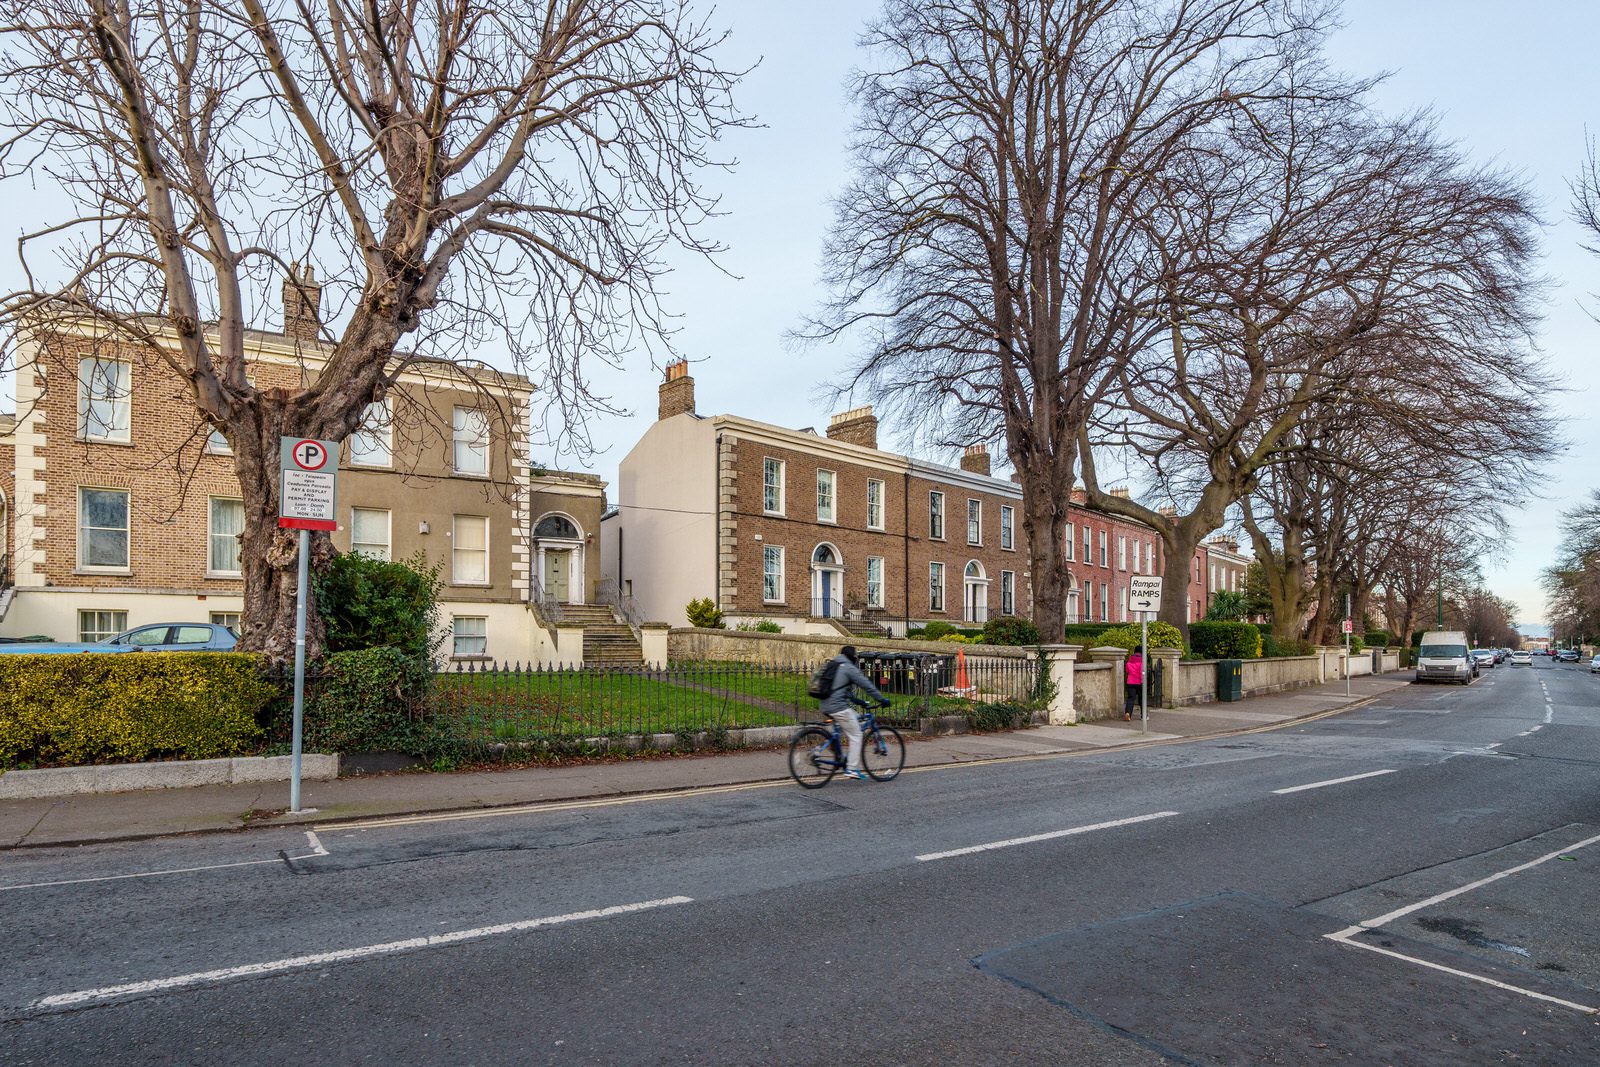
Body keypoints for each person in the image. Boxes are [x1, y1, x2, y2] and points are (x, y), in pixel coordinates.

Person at [820, 645, 891, 780]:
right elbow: (866, 685)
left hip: (825, 705)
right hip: (838, 707)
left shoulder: (834, 664)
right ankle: (851, 769)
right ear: (852, 657)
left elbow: (841, 690)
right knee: (856, 734)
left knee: (855, 718)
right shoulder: (849, 668)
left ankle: (833, 745)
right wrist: (881, 699)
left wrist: (859, 702)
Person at [1124, 644, 1145, 722]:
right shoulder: (1142, 660)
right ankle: (1143, 715)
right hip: (1139, 682)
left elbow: (1127, 671)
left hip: (1130, 682)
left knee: (1130, 699)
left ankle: (1128, 713)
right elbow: (1142, 672)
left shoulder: (1130, 660)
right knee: (1142, 699)